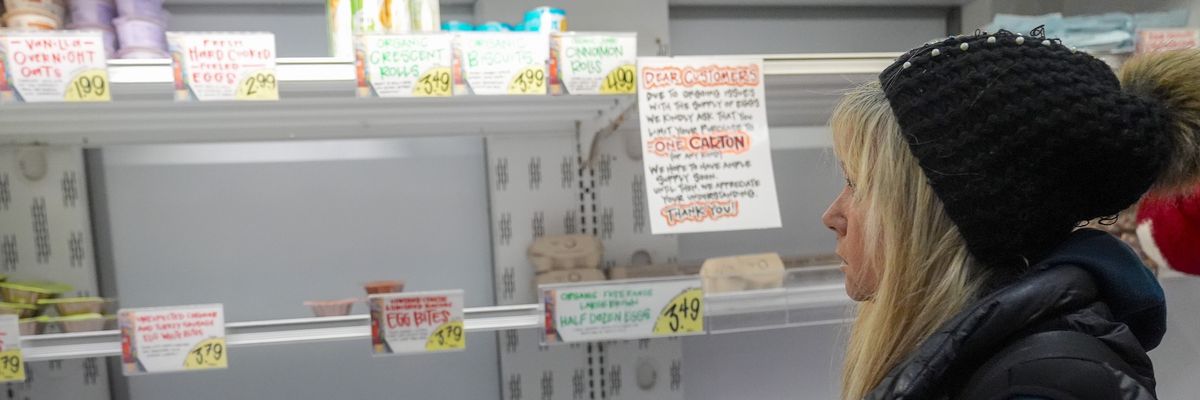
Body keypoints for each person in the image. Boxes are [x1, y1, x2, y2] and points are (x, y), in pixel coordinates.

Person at [821, 28, 1200, 400]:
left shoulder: (1038, 387)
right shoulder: (986, 361)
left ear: (949, 215)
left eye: (858, 183)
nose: (832, 216)